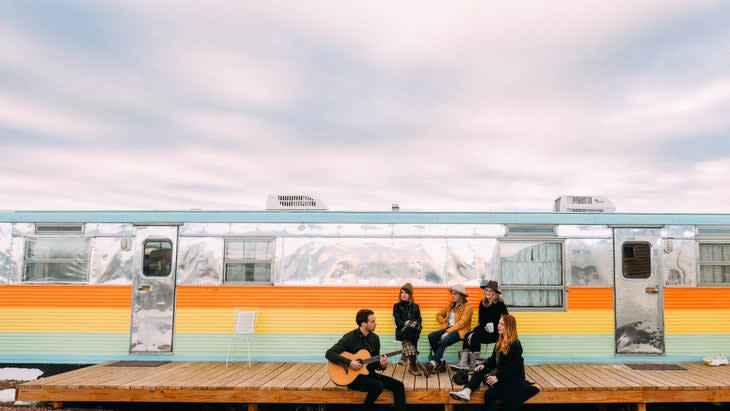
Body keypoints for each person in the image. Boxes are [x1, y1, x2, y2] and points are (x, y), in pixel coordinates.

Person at [448, 314, 540, 410]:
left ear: (509, 327)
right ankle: (466, 391)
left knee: (489, 394)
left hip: (512, 382)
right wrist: (484, 364)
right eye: (499, 323)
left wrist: (497, 377)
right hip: (502, 378)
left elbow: (511, 368)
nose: (498, 326)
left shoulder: (515, 345)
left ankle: (469, 391)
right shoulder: (499, 342)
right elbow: (493, 360)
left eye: (502, 324)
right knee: (480, 369)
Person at [326, 309, 406, 411]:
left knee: (399, 385)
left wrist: (382, 365)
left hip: (369, 374)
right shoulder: (349, 337)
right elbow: (329, 353)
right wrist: (349, 362)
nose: (375, 324)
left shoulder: (375, 338)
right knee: (378, 385)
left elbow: (375, 364)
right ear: (364, 324)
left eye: (375, 321)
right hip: (352, 377)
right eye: (372, 322)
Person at [451, 280, 508, 370]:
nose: (488, 293)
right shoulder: (482, 303)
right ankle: (464, 362)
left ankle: (474, 365)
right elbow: (481, 322)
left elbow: (506, 318)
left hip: (495, 333)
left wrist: (499, 327)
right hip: (484, 330)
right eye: (486, 290)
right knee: (467, 335)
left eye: (491, 291)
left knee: (475, 336)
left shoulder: (499, 303)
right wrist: (473, 332)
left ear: (495, 293)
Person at [423, 284, 473, 374]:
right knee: (432, 336)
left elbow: (462, 323)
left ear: (461, 296)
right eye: (452, 293)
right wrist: (444, 321)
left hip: (461, 331)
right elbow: (439, 315)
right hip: (449, 328)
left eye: (455, 294)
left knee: (443, 341)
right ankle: (440, 362)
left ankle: (432, 363)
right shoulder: (451, 305)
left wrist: (447, 332)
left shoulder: (467, 307)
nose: (452, 295)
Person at [392, 282, 427, 376]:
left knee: (411, 333)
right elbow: (397, 321)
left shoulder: (416, 307)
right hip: (401, 332)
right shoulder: (397, 306)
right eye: (402, 292)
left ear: (410, 295)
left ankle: (405, 354)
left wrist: (414, 323)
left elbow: (419, 320)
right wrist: (406, 323)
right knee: (408, 330)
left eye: (406, 293)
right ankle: (413, 366)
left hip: (413, 332)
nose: (403, 294)